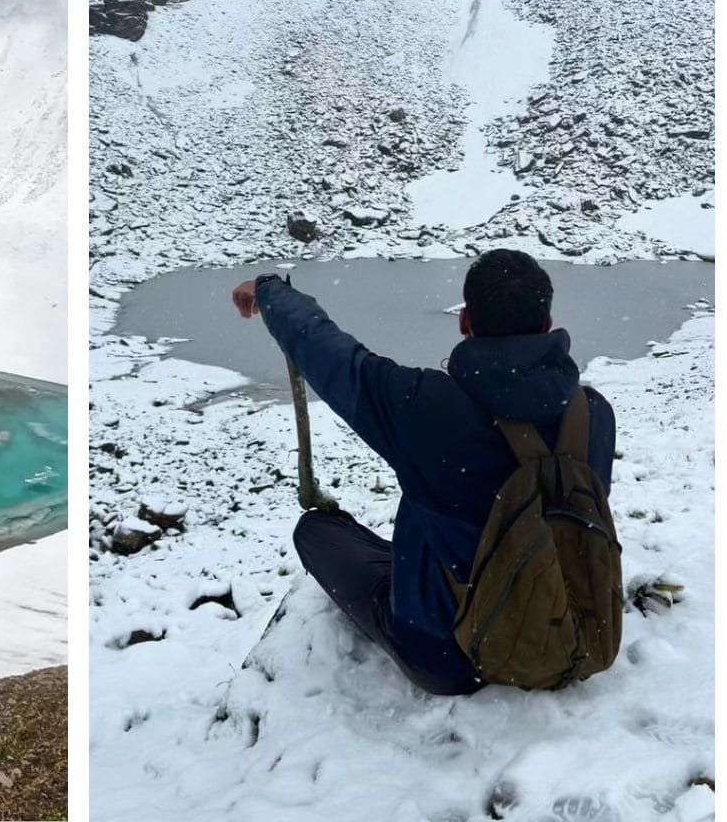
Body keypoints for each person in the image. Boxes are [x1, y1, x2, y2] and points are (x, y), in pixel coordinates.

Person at [231, 249, 616, 692]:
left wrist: (270, 290)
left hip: (449, 655)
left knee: (317, 532)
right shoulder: (592, 415)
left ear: (465, 322)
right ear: (548, 325)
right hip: (574, 632)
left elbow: (324, 349)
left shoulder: (423, 406)